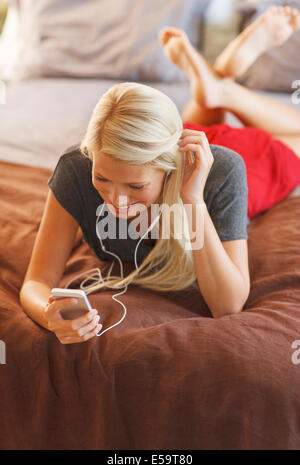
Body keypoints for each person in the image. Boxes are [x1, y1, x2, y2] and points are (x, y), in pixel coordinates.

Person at [19, 5, 300, 344]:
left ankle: (224, 91)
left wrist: (193, 200)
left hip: (230, 161)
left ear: (170, 167)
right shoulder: (76, 169)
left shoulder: (222, 173)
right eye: (103, 178)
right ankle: (213, 86)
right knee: (195, 125)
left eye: (135, 185)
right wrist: (49, 313)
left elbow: (228, 305)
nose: (116, 200)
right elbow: (36, 281)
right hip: (173, 136)